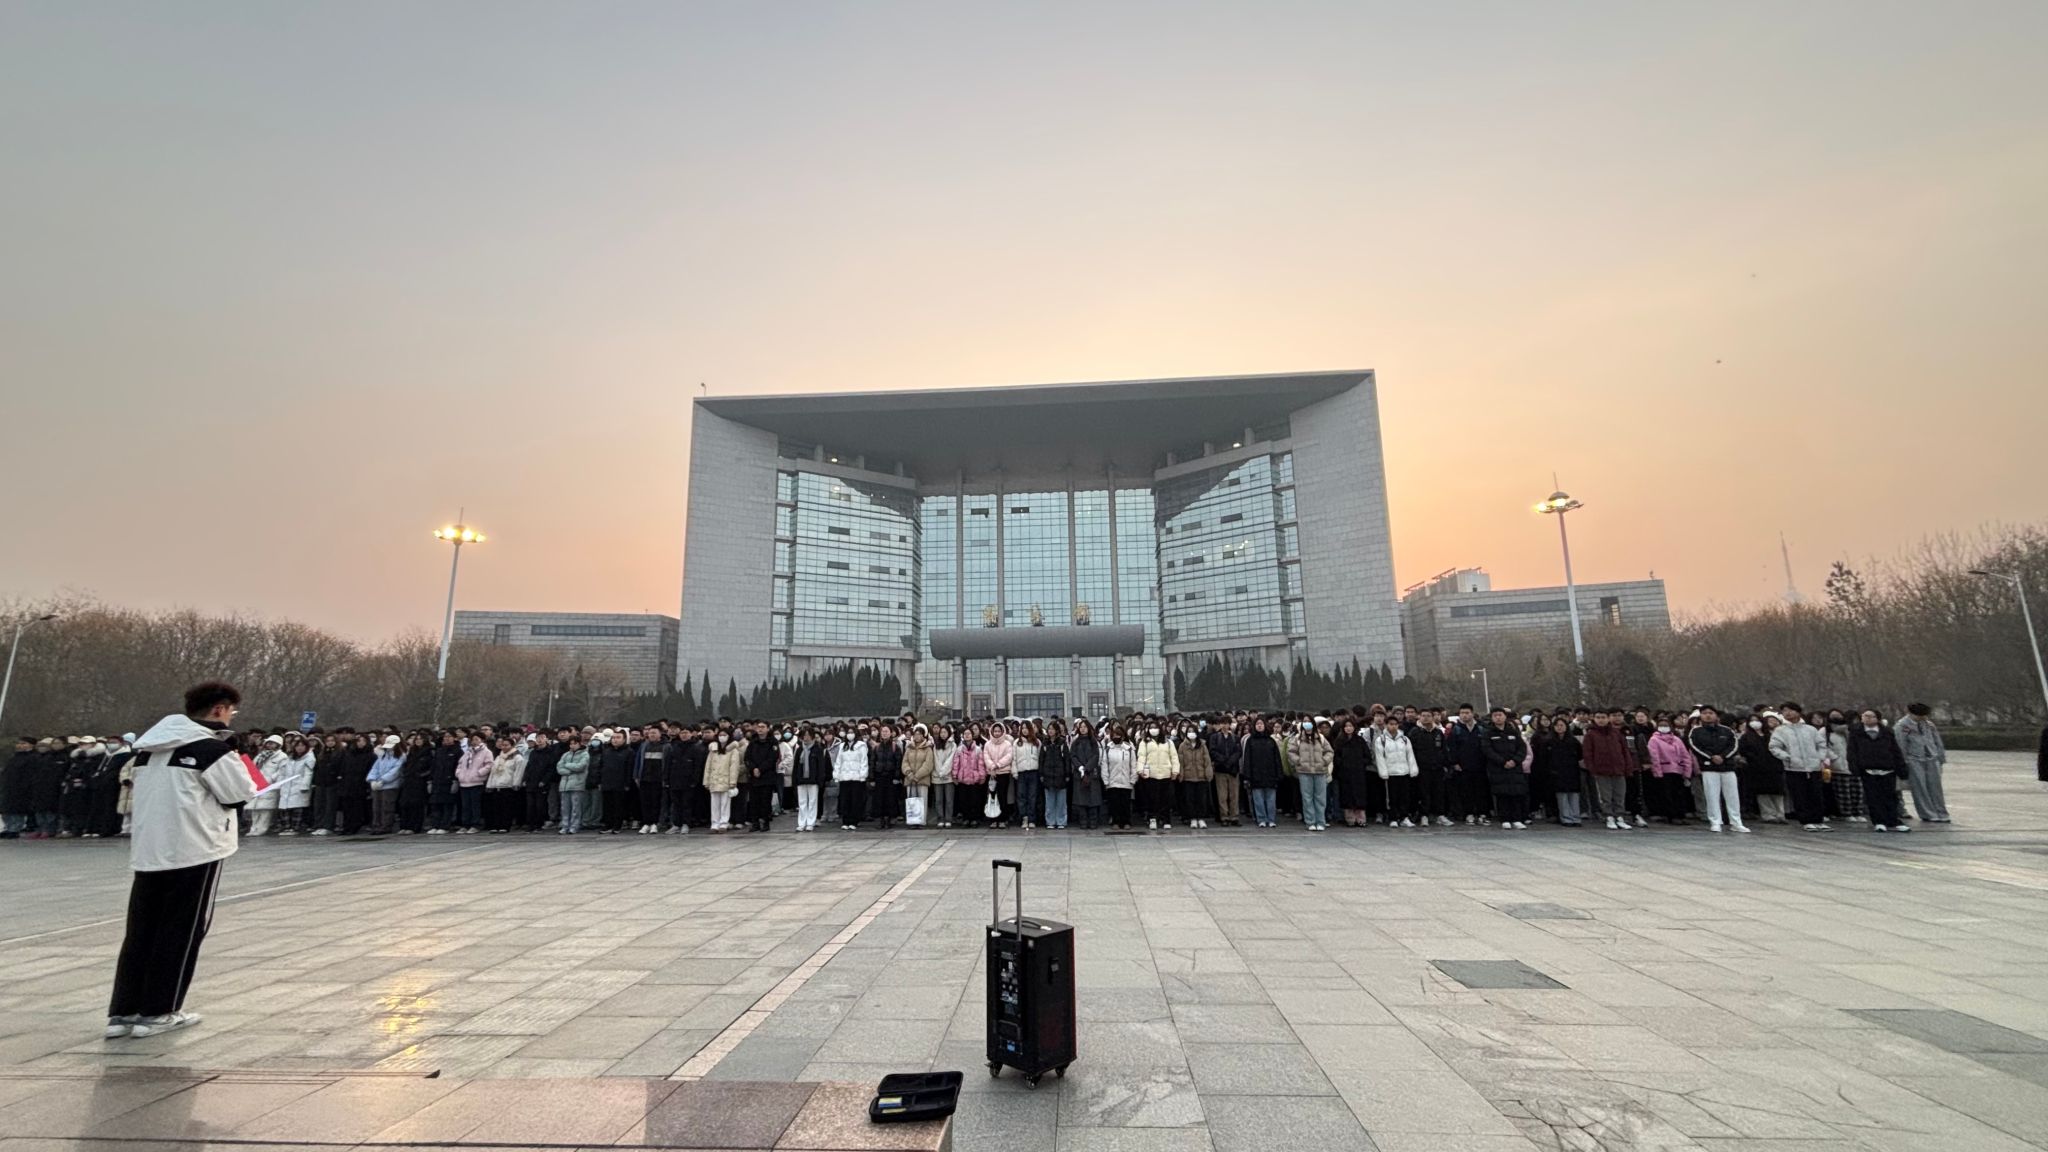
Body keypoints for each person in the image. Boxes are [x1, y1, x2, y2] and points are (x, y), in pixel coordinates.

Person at [106, 681, 257, 1040]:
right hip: (194, 848)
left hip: (150, 850)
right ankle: (159, 1010)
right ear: (219, 709)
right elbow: (239, 793)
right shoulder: (210, 749)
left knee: (141, 932)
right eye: (231, 711)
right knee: (181, 931)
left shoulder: (149, 749)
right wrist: (237, 758)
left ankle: (124, 1011)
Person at [1770, 703, 1831, 830]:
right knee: (1799, 795)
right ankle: (1806, 820)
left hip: (1813, 767)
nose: (1788, 713)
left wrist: (1819, 758)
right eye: (1784, 711)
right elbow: (1774, 747)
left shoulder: (1810, 729)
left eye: (1791, 710)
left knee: (1816, 794)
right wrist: (1787, 757)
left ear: (1798, 712)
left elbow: (1821, 745)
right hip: (1794, 768)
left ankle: (1818, 820)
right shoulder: (1781, 730)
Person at [1688, 706, 1749, 833]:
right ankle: (1715, 821)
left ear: (1716, 715)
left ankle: (1736, 822)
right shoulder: (1696, 731)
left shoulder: (1727, 730)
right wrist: (1711, 757)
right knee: (1712, 795)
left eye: (1711, 713)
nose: (1708, 715)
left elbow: (1734, 745)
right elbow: (1695, 747)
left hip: (1727, 767)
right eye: (1704, 713)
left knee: (1732, 796)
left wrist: (1723, 756)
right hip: (1709, 767)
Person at [1848, 709, 1911, 832]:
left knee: (1890, 796)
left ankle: (1893, 821)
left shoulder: (1887, 732)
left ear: (1877, 718)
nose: (1867, 718)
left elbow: (1895, 750)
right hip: (1868, 770)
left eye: (1871, 716)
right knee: (1873, 797)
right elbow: (1852, 752)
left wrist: (1901, 768)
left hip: (1887, 768)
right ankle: (1879, 821)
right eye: (1865, 716)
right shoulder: (1856, 732)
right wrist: (1854, 767)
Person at [1895, 703, 1951, 823]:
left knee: (1935, 787)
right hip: (1914, 759)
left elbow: (1937, 741)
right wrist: (1903, 762)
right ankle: (1928, 814)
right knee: (1920, 788)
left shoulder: (1929, 725)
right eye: (1920, 716)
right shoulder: (1902, 726)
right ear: (1911, 713)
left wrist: (1941, 758)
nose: (1923, 718)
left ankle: (1941, 812)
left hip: (1931, 757)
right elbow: (1901, 744)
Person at [1582, 711, 1635, 831]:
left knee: (1619, 795)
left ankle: (1620, 816)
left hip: (1618, 769)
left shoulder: (1616, 733)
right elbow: (1588, 754)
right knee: (1605, 796)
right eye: (1598, 717)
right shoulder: (1590, 735)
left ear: (1608, 719)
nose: (1601, 720)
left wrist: (1628, 767)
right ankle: (1609, 816)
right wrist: (1592, 768)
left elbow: (1625, 751)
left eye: (1603, 717)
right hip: (1601, 770)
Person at [1481, 707, 1530, 829]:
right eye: (1495, 715)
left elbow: (1522, 748)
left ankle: (1517, 818)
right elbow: (1487, 750)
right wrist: (1502, 761)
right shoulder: (1488, 733)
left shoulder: (1513, 732)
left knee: (1516, 793)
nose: (1498, 717)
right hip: (1498, 769)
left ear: (1505, 717)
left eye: (1500, 715)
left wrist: (1515, 760)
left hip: (1515, 768)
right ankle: (1504, 818)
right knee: (1502, 794)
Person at [1371, 713, 1419, 827]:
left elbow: (1410, 755)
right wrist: (1383, 772)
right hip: (1391, 773)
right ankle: (1393, 818)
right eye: (1391, 724)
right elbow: (1380, 757)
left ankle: (1404, 817)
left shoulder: (1404, 739)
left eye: (1395, 724)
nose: (1393, 726)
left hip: (1404, 772)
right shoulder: (1381, 740)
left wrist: (1413, 769)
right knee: (1392, 797)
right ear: (1386, 725)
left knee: (1405, 796)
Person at [1739, 713, 1787, 824]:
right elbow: (1744, 750)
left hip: (1774, 766)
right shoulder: (1746, 737)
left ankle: (1780, 814)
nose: (1755, 722)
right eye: (1752, 720)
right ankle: (1768, 814)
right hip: (1757, 767)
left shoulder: (1770, 735)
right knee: (1763, 792)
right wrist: (1753, 758)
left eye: (1757, 720)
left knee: (1778, 791)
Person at [1646, 714, 1695, 823]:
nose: (1664, 727)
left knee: (1679, 794)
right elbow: (1654, 757)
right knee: (1667, 794)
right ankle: (1671, 816)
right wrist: (1657, 772)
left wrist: (1687, 771)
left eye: (1666, 725)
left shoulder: (1677, 740)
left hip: (1678, 771)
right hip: (1664, 771)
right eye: (1661, 725)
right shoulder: (1654, 740)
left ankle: (1680, 815)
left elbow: (1685, 756)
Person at [1446, 704, 1490, 825]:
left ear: (1472, 713)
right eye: (1462, 713)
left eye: (1467, 713)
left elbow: (1486, 747)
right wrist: (1454, 762)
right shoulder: (1456, 730)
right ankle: (1468, 813)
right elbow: (1451, 748)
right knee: (1466, 791)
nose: (1464, 715)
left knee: (1481, 791)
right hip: (1463, 766)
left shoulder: (1481, 728)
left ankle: (1482, 813)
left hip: (1480, 765)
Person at [1289, 718, 1333, 831]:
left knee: (1320, 798)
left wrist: (1324, 761)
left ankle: (1321, 821)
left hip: (1320, 771)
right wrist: (1299, 761)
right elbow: (1291, 752)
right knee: (1307, 798)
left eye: (1309, 721)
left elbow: (1329, 751)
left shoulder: (1320, 738)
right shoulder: (1298, 738)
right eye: (1305, 721)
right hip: (1304, 772)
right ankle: (1310, 821)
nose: (1307, 723)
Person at [1411, 709, 1452, 826]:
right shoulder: (1414, 732)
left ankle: (1440, 815)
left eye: (1428, 716)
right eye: (1423, 715)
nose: (1426, 718)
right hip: (1422, 768)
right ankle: (1424, 815)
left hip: (1437, 768)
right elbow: (1411, 751)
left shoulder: (1438, 732)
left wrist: (1446, 764)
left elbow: (1444, 749)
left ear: (1432, 717)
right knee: (1424, 793)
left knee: (1439, 792)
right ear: (1419, 717)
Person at [1136, 722, 1179, 830]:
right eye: (1151, 727)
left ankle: (1166, 819)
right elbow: (1141, 757)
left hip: (1165, 774)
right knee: (1151, 798)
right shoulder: (1144, 742)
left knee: (1166, 799)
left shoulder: (1168, 742)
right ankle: (1152, 818)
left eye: (1155, 727)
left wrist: (1175, 771)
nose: (1153, 729)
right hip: (1151, 774)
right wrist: (1140, 770)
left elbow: (1174, 757)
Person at [1241, 717, 1283, 828]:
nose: (1259, 726)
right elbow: (1247, 759)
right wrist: (1247, 776)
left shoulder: (1271, 741)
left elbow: (1277, 759)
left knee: (1271, 799)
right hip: (1256, 775)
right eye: (1257, 724)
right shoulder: (1250, 741)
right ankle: (1261, 819)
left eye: (1261, 724)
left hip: (1270, 774)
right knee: (1258, 799)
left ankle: (1271, 819)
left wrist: (1279, 773)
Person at [1332, 718, 1373, 827]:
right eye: (1346, 726)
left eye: (1350, 726)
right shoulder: (1339, 741)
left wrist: (1360, 763)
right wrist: (1342, 764)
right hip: (1345, 773)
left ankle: (1360, 818)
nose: (1348, 728)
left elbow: (1367, 756)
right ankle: (1349, 818)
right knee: (1347, 795)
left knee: (1359, 795)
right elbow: (1336, 757)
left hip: (1359, 773)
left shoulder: (1360, 740)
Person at [1205, 715, 1242, 827]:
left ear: (1230, 724)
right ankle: (1224, 816)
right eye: (1222, 723)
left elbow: (1238, 752)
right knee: (1222, 795)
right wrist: (1223, 760)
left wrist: (1230, 761)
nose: (1224, 725)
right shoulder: (1215, 737)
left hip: (1233, 770)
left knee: (1234, 795)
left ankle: (1234, 816)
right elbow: (1212, 751)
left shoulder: (1235, 737)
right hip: (1220, 769)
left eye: (1226, 723)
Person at [830, 724, 868, 830]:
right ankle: (845, 820)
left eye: (852, 732)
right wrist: (836, 774)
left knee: (855, 800)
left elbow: (864, 761)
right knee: (845, 799)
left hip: (856, 778)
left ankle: (854, 821)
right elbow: (838, 761)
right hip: (844, 777)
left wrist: (863, 775)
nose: (850, 734)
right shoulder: (842, 746)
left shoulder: (861, 745)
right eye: (848, 733)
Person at [744, 721, 781, 832]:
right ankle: (755, 823)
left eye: (763, 727)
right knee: (754, 801)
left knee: (765, 801)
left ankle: (765, 822)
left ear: (768, 729)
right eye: (758, 727)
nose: (760, 729)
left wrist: (760, 769)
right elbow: (747, 758)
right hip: (754, 777)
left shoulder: (773, 742)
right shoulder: (753, 742)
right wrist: (753, 768)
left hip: (767, 776)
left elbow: (772, 758)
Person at [247, 735, 287, 836]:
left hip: (270, 786)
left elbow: (281, 771)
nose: (269, 745)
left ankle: (262, 829)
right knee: (255, 809)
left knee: (265, 810)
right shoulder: (261, 755)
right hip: (257, 784)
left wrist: (271, 780)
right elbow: (253, 767)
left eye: (272, 743)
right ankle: (253, 828)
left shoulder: (282, 757)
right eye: (268, 743)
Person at [704, 726, 742, 832]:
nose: (722, 737)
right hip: (714, 779)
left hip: (726, 779)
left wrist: (733, 781)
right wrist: (706, 781)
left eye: (724, 735)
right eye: (720, 735)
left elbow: (734, 767)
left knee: (725, 803)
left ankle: (723, 823)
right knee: (714, 804)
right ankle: (714, 824)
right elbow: (708, 766)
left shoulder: (733, 750)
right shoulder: (713, 750)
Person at [1101, 723, 1137, 829]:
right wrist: (1106, 780)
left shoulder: (1129, 749)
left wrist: (1133, 779)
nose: (1116, 737)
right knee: (1114, 803)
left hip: (1126, 781)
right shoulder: (1108, 748)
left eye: (1118, 735)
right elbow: (1104, 765)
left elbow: (1133, 765)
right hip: (1113, 781)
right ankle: (1115, 821)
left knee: (1125, 803)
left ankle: (1126, 821)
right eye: (1114, 735)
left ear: (1123, 736)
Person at [454, 732, 492, 834]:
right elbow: (460, 764)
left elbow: (489, 765)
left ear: (482, 740)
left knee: (475, 805)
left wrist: (479, 773)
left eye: (476, 739)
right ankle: (465, 824)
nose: (474, 742)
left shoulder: (486, 752)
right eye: (472, 740)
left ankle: (476, 824)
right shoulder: (468, 752)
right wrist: (459, 774)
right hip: (464, 782)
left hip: (477, 782)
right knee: (465, 805)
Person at [1175, 722, 1211, 829]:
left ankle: (1201, 818)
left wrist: (1208, 773)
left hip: (1201, 775)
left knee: (1201, 799)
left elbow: (1207, 760)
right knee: (1190, 799)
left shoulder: (1202, 745)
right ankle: (1193, 818)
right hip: (1188, 776)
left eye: (1193, 731)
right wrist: (1181, 775)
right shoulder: (1183, 746)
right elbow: (1180, 762)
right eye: (1189, 731)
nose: (1191, 733)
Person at [1069, 720, 1103, 830]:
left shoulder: (1093, 741)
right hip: (1079, 773)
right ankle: (1083, 821)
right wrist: (1079, 767)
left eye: (1085, 727)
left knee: (1093, 798)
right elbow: (1073, 756)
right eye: (1081, 727)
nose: (1083, 729)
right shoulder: (1076, 742)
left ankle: (1093, 821)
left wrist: (1087, 767)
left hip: (1091, 773)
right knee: (1081, 799)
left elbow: (1096, 756)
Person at [369, 735, 406, 833]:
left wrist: (383, 780)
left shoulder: (401, 756)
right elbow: (375, 768)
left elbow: (395, 771)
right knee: (376, 807)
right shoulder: (384, 755)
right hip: (378, 785)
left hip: (390, 785)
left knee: (387, 807)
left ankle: (386, 826)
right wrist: (372, 779)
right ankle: (376, 825)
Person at [950, 726, 984, 829]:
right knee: (963, 800)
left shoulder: (978, 749)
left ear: (972, 736)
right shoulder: (959, 749)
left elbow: (981, 764)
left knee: (974, 800)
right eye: (965, 734)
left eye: (969, 734)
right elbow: (956, 763)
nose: (967, 735)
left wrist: (982, 776)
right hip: (963, 778)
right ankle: (966, 818)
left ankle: (974, 819)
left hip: (974, 778)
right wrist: (954, 775)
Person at [555, 733, 590, 834]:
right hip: (564, 785)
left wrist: (567, 765)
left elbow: (580, 766)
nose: (572, 746)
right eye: (571, 744)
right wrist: (569, 770)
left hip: (577, 784)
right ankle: (565, 826)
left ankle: (574, 826)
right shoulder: (566, 755)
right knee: (564, 807)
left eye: (574, 743)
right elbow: (559, 767)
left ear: (579, 743)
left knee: (576, 807)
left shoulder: (585, 754)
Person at [983, 721, 1016, 828]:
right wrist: (992, 767)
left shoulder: (1007, 744)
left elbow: (1008, 757)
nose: (997, 733)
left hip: (1003, 773)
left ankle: (1003, 819)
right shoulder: (988, 744)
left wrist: (997, 765)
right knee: (992, 796)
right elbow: (986, 756)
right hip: (992, 774)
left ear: (1002, 732)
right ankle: (993, 819)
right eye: (995, 731)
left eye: (999, 731)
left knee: (1002, 796)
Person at [2, 736, 36, 838]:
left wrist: (25, 786)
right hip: (9, 787)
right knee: (7, 809)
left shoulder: (32, 757)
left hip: (21, 787)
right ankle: (8, 827)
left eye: (23, 743)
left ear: (31, 745)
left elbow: (30, 774)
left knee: (17, 810)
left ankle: (15, 828)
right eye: (19, 743)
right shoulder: (14, 757)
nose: (20, 745)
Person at [903, 724, 935, 827]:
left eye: (919, 734)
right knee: (911, 800)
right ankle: (912, 821)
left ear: (923, 736)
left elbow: (928, 764)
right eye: (915, 734)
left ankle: (921, 821)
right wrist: (909, 773)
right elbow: (904, 762)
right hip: (910, 779)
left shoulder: (928, 748)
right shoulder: (909, 748)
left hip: (922, 779)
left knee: (922, 801)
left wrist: (917, 775)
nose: (917, 736)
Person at [1012, 723, 1042, 830]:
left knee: (1032, 796)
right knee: (1021, 796)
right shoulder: (1017, 742)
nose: (1025, 730)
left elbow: (1040, 757)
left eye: (1027, 728)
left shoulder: (1036, 742)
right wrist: (1014, 772)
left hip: (1033, 772)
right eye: (1023, 728)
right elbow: (1014, 758)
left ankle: (1032, 819)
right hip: (1021, 772)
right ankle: (1024, 817)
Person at [931, 724, 958, 830]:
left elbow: (951, 760)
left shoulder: (953, 745)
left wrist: (943, 771)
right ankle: (940, 819)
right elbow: (935, 759)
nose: (943, 734)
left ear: (949, 733)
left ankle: (948, 819)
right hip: (937, 775)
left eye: (945, 732)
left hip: (948, 776)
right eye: (941, 732)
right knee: (938, 799)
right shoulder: (935, 745)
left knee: (949, 799)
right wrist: (939, 771)